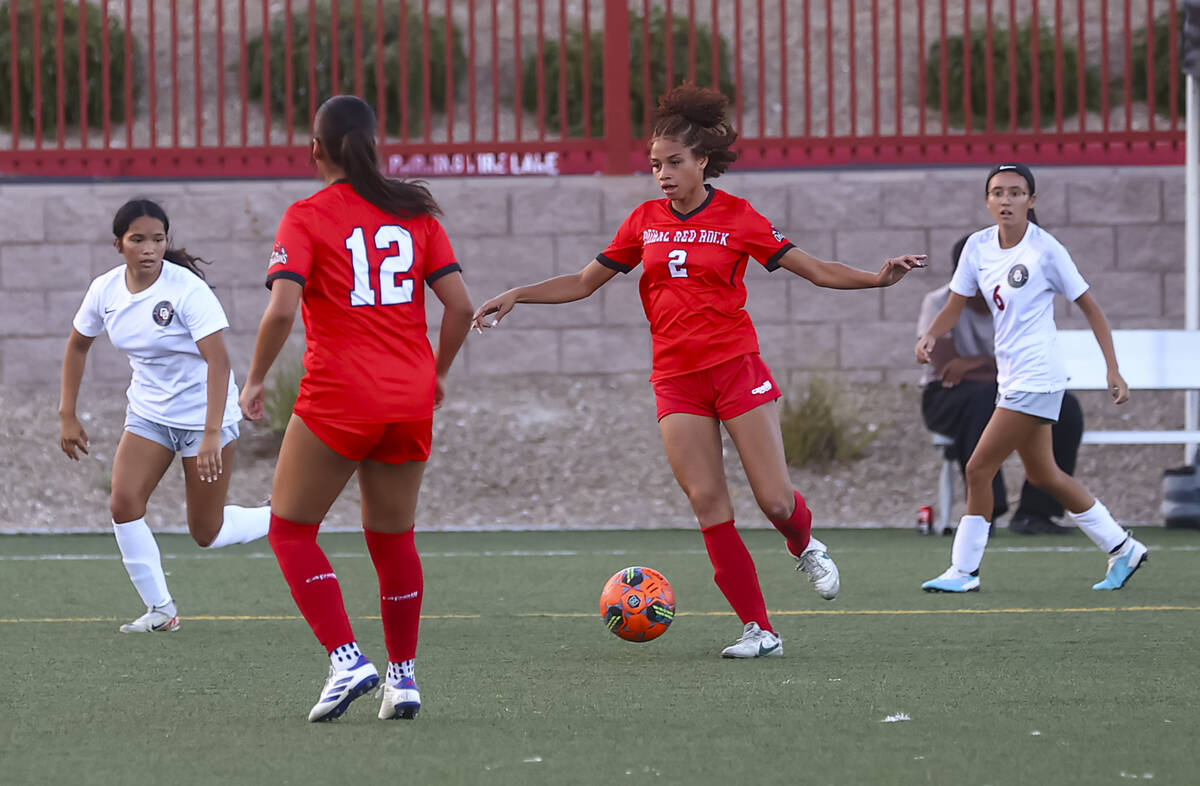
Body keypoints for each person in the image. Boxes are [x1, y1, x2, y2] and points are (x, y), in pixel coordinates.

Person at [472, 84, 926, 659]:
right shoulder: (643, 221)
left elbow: (814, 270)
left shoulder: (739, 217)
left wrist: (877, 278)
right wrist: (517, 294)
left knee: (776, 503)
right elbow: (584, 283)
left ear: (702, 161)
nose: (662, 173)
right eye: (655, 164)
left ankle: (805, 543)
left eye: (674, 163)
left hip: (736, 369)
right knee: (709, 505)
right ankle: (760, 631)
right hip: (676, 380)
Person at [238, 95, 473, 722]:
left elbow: (283, 309)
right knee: (393, 538)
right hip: (409, 396)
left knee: (290, 529)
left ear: (316, 148)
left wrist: (255, 379)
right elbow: (460, 307)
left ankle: (347, 659)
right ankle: (404, 678)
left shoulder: (307, 215)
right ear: (374, 144)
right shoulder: (415, 212)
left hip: (341, 394)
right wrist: (438, 371)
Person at [916, 163, 1144, 593]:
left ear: (1031, 201)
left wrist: (1112, 368)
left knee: (978, 468)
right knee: (1044, 475)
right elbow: (955, 303)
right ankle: (1123, 547)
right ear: (987, 201)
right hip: (1012, 377)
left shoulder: (1046, 250)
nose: (1006, 200)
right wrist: (931, 334)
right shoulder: (978, 247)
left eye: (1016, 193)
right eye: (998, 192)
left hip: (1037, 377)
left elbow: (1091, 308)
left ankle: (964, 571)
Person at [59, 199, 270, 634]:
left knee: (205, 532)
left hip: (202, 417)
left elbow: (219, 364)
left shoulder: (187, 290)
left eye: (158, 239)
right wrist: (67, 414)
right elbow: (77, 345)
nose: (149, 248)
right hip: (150, 414)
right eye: (138, 240)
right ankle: (161, 609)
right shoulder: (105, 290)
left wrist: (213, 432)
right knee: (123, 503)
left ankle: (280, 514)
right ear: (118, 244)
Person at [918, 233, 1085, 535]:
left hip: (1007, 388)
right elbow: (946, 369)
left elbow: (1028, 357)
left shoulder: (1018, 298)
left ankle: (1036, 513)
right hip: (945, 398)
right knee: (984, 400)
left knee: (1066, 407)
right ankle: (986, 513)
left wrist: (973, 363)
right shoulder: (940, 303)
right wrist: (994, 365)